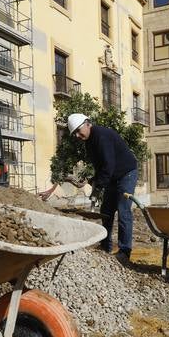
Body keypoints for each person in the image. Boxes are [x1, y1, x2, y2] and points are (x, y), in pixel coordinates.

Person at [67, 113, 138, 264]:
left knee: (123, 210)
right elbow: (101, 166)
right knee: (106, 211)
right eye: (75, 135)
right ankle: (105, 246)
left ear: (87, 123)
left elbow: (108, 164)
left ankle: (125, 252)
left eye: (79, 131)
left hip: (126, 174)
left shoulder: (102, 136)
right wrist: (94, 181)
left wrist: (98, 186)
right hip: (113, 175)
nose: (78, 136)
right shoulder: (89, 142)